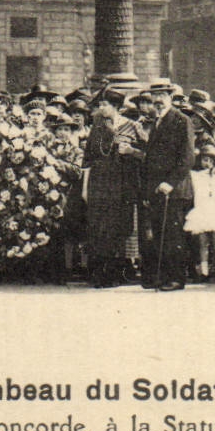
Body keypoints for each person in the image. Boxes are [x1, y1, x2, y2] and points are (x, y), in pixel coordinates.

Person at [82, 87, 142, 288]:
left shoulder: (132, 127)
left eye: (105, 104)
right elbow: (88, 159)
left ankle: (117, 272)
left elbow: (147, 154)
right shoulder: (97, 128)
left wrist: (131, 152)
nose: (101, 108)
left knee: (120, 227)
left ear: (116, 107)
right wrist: (85, 187)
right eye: (100, 105)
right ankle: (100, 274)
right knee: (100, 227)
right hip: (100, 182)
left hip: (123, 183)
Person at [142, 82, 194, 292]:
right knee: (160, 233)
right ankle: (161, 277)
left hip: (175, 189)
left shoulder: (182, 121)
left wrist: (170, 183)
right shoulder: (157, 122)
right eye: (155, 96)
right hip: (157, 189)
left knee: (173, 235)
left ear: (171, 97)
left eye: (162, 95)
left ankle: (176, 278)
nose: (158, 100)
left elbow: (187, 157)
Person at [184, 143, 215, 284]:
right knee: (202, 243)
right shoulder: (195, 175)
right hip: (201, 210)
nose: (208, 163)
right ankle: (204, 272)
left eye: (211, 161)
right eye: (205, 160)